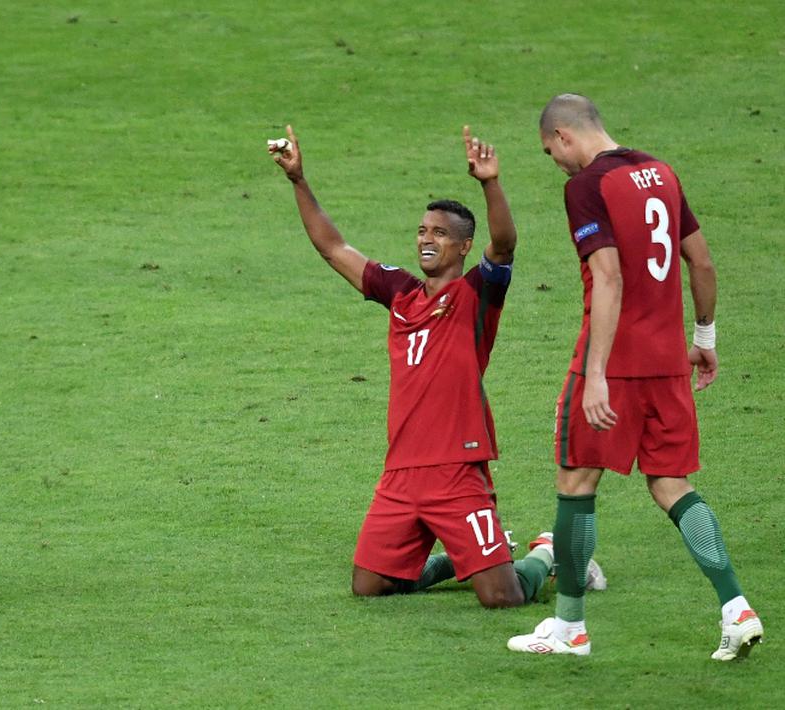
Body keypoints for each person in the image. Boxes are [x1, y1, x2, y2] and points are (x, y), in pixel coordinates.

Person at [270, 125, 582, 607]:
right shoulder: (400, 293)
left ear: (462, 247)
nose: (425, 239)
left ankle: (544, 555)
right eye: (421, 230)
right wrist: (298, 180)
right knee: (368, 586)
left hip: (458, 468)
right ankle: (459, 561)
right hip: (401, 470)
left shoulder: (477, 294)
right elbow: (333, 248)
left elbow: (503, 245)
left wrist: (490, 183)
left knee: (502, 597)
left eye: (439, 233)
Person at [507, 94, 762, 660]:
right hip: (669, 362)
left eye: (552, 151)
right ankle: (735, 608)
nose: (557, 162)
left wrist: (596, 374)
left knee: (577, 482)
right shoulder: (661, 173)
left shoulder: (585, 187)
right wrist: (704, 339)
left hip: (614, 364)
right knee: (672, 484)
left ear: (564, 135)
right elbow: (702, 261)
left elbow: (608, 277)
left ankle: (570, 628)